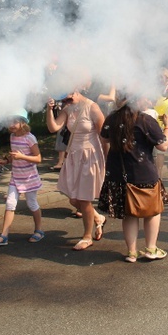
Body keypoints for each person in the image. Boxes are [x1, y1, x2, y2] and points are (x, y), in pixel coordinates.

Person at [98, 93, 168, 262]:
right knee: (152, 212)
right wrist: (167, 127)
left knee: (129, 213)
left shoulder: (112, 118)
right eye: (145, 96)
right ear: (137, 98)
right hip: (143, 172)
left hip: (118, 173)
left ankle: (132, 252)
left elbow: (104, 138)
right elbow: (163, 146)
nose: (148, 99)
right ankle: (151, 249)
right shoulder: (145, 120)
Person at [46, 89, 107, 251]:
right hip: (73, 156)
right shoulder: (67, 109)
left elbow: (104, 136)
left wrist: (108, 160)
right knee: (74, 200)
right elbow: (53, 127)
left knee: (83, 199)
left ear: (76, 90)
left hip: (90, 156)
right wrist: (49, 109)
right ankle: (98, 218)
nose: (67, 102)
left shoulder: (92, 107)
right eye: (64, 100)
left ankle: (87, 237)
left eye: (68, 99)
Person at [0, 110, 44, 246]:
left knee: (32, 204)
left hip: (29, 177)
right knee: (10, 204)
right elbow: (14, 155)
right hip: (16, 176)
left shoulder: (30, 138)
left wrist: (22, 157)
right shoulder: (13, 136)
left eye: (15, 122)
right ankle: (4, 236)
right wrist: (6, 160)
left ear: (23, 122)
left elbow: (38, 158)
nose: (11, 125)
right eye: (9, 122)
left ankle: (39, 231)